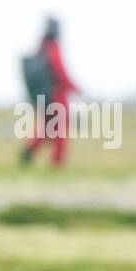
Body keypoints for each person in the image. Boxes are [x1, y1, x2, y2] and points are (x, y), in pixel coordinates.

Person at [21, 16, 80, 167]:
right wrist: (74, 87)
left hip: (45, 97)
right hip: (56, 96)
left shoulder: (42, 47)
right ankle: (57, 162)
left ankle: (29, 151)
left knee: (47, 128)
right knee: (60, 128)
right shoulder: (53, 48)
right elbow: (61, 71)